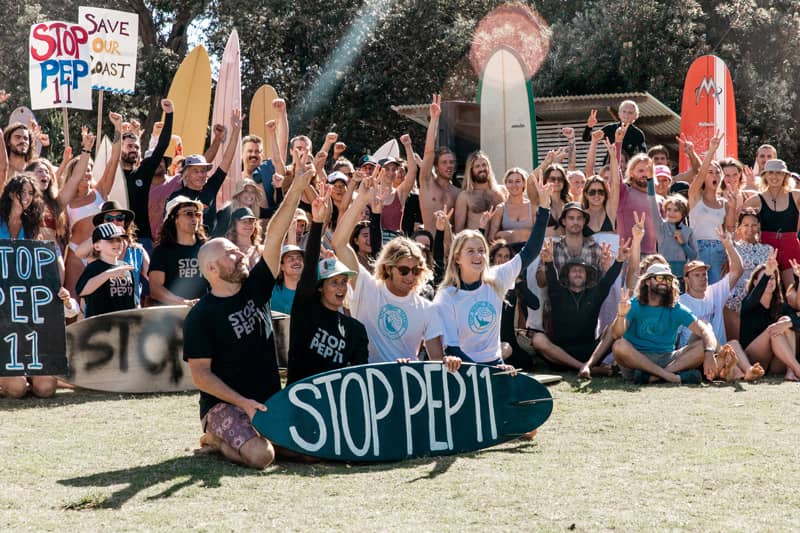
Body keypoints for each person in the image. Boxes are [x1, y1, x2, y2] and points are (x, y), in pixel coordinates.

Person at [183, 151, 311, 469]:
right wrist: (242, 403)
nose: (241, 255)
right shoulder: (201, 316)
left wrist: (296, 188)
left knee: (308, 451)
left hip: (267, 400)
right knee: (262, 456)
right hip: (224, 405)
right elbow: (201, 375)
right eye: (231, 253)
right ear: (213, 269)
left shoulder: (256, 286)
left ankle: (259, 436)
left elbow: (275, 234)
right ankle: (215, 439)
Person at [332, 178, 459, 369]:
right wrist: (361, 200)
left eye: (416, 270)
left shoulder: (427, 309)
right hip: (365, 377)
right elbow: (339, 244)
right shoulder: (366, 287)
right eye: (404, 270)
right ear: (388, 268)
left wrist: (448, 361)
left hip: (406, 381)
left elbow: (436, 362)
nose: (410, 276)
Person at [435, 174, 550, 367]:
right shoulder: (447, 295)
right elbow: (452, 348)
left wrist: (544, 209)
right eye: (470, 251)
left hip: (496, 365)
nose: (478, 255)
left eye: (481, 250)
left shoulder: (496, 278)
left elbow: (531, 251)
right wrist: (485, 372)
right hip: (465, 369)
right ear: (457, 258)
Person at [286, 184, 369, 384]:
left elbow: (360, 374)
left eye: (344, 282)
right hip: (301, 396)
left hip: (334, 400)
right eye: (334, 282)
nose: (341, 287)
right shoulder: (305, 311)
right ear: (320, 287)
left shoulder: (355, 330)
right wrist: (317, 223)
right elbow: (309, 269)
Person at [611, 264, 716, 384]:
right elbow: (616, 334)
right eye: (660, 278)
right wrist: (621, 316)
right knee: (619, 345)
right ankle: (671, 376)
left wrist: (709, 352)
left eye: (668, 279)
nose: (665, 282)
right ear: (647, 282)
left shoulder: (676, 308)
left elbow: (704, 329)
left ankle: (655, 377)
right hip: (636, 360)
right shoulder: (634, 304)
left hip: (667, 358)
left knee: (704, 343)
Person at [534, 237, 626, 374]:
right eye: (574, 270)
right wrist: (549, 261)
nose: (578, 273)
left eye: (581, 271)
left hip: (590, 352)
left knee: (614, 326)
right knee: (538, 339)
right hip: (561, 353)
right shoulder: (558, 292)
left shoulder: (595, 293)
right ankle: (584, 368)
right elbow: (552, 278)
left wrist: (619, 260)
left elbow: (608, 280)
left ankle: (587, 365)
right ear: (567, 275)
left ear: (587, 275)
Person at [167, 109, 243, 235]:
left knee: (229, 208)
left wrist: (236, 131)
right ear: (187, 174)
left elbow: (227, 160)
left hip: (210, 243)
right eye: (196, 171)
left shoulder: (210, 188)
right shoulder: (177, 197)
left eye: (203, 171)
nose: (201, 174)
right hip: (188, 243)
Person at [118, 99, 173, 249]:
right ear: (120, 147)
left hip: (142, 239)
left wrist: (169, 114)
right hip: (116, 238)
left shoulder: (143, 172)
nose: (134, 150)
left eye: (136, 147)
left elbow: (162, 145)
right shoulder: (112, 175)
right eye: (129, 146)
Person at [739, 255, 800, 381]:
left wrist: (789, 323)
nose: (769, 281)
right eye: (765, 278)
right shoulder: (749, 303)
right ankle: (798, 369)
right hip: (753, 359)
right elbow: (753, 298)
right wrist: (767, 273)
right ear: (755, 282)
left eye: (772, 278)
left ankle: (790, 371)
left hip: (774, 363)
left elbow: (796, 320)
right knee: (773, 329)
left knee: (785, 321)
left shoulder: (780, 305)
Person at [743, 158, 800, 289]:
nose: (775, 176)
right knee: (765, 289)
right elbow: (740, 224)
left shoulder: (796, 196)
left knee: (793, 290)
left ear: (785, 175)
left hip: (791, 247)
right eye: (771, 173)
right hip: (766, 248)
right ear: (765, 175)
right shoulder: (756, 199)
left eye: (779, 173)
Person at [687, 131, 734, 284]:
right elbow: (700, 174)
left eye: (717, 173)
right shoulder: (695, 196)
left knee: (719, 292)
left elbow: (730, 230)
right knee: (699, 290)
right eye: (710, 172)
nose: (714, 175)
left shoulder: (725, 202)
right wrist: (711, 151)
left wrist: (729, 255)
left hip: (720, 250)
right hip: (698, 249)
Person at [148, 196, 208, 305]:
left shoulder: (207, 249)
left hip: (203, 311)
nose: (194, 218)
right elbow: (155, 290)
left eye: (197, 214)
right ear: (174, 218)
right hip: (173, 313)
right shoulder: (162, 252)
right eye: (188, 213)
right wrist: (184, 302)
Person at [724, 209, 773, 341]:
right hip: (738, 294)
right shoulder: (733, 247)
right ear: (739, 227)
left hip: (761, 293)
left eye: (754, 225)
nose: (750, 229)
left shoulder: (768, 249)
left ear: (759, 226)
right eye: (745, 225)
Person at [75, 223, 136, 317]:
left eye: (119, 239)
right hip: (101, 324)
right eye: (111, 240)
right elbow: (81, 290)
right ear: (97, 246)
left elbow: (132, 301)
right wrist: (109, 274)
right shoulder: (94, 267)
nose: (117, 243)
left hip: (125, 323)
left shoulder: (125, 267)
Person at [419, 94, 461, 231]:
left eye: (452, 162)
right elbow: (429, 152)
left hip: (450, 243)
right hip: (429, 241)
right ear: (436, 166)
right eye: (444, 162)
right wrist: (434, 120)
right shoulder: (427, 183)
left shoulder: (458, 193)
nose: (449, 165)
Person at [648, 179, 697, 280]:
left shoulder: (688, 231)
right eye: (669, 209)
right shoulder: (661, 227)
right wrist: (650, 179)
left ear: (683, 213)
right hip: (663, 273)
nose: (671, 213)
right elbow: (652, 202)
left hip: (681, 276)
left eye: (676, 210)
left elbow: (694, 257)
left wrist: (683, 244)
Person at [454, 150, 505, 233]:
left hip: (498, 240)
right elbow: (458, 231)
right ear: (471, 171)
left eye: (484, 165)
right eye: (477, 166)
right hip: (476, 240)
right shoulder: (464, 196)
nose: (482, 169)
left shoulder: (501, 191)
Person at [581, 102, 646, 165]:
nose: (626, 115)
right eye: (624, 111)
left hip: (626, 167)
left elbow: (643, 154)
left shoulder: (638, 134)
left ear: (636, 115)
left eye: (630, 112)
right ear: (619, 113)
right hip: (609, 165)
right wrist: (589, 127)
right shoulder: (610, 128)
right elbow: (586, 138)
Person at [488, 167, 535, 244]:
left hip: (530, 249)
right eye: (510, 182)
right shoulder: (500, 208)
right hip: (508, 250)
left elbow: (539, 233)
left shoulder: (532, 206)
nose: (514, 185)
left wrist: (510, 235)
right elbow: (492, 238)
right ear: (506, 184)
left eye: (517, 181)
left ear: (524, 183)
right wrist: (521, 235)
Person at [0, 173, 43, 239]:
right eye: (22, 191)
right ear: (11, 195)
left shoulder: (31, 223)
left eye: (30, 193)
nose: (27, 196)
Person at [270, 244, 303, 314]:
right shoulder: (270, 292)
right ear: (281, 266)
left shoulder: (313, 291)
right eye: (291, 259)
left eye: (299, 258)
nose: (297, 262)